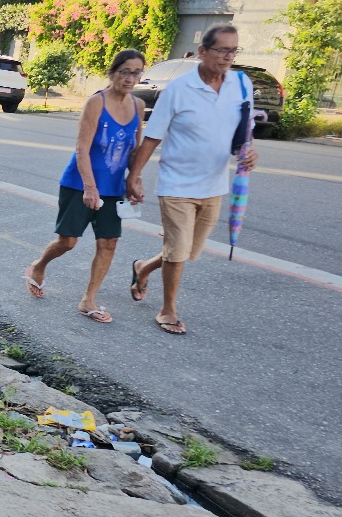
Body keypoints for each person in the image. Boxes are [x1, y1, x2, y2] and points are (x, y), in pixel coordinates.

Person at [126, 23, 258, 335]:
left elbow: (245, 131)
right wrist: (134, 176)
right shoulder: (179, 89)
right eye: (222, 50)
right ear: (202, 51)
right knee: (177, 251)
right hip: (177, 184)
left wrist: (249, 151)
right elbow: (153, 136)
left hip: (214, 185)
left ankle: (143, 267)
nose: (228, 57)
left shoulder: (241, 84)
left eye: (233, 50)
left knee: (187, 251)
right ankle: (168, 310)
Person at [24, 49, 147, 324]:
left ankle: (88, 300)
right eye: (125, 72)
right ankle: (39, 266)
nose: (130, 78)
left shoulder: (138, 106)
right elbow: (82, 148)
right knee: (68, 242)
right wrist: (90, 188)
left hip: (114, 189)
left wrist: (134, 180)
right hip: (79, 183)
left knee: (109, 243)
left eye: (136, 73)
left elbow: (133, 150)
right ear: (112, 73)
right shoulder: (96, 103)